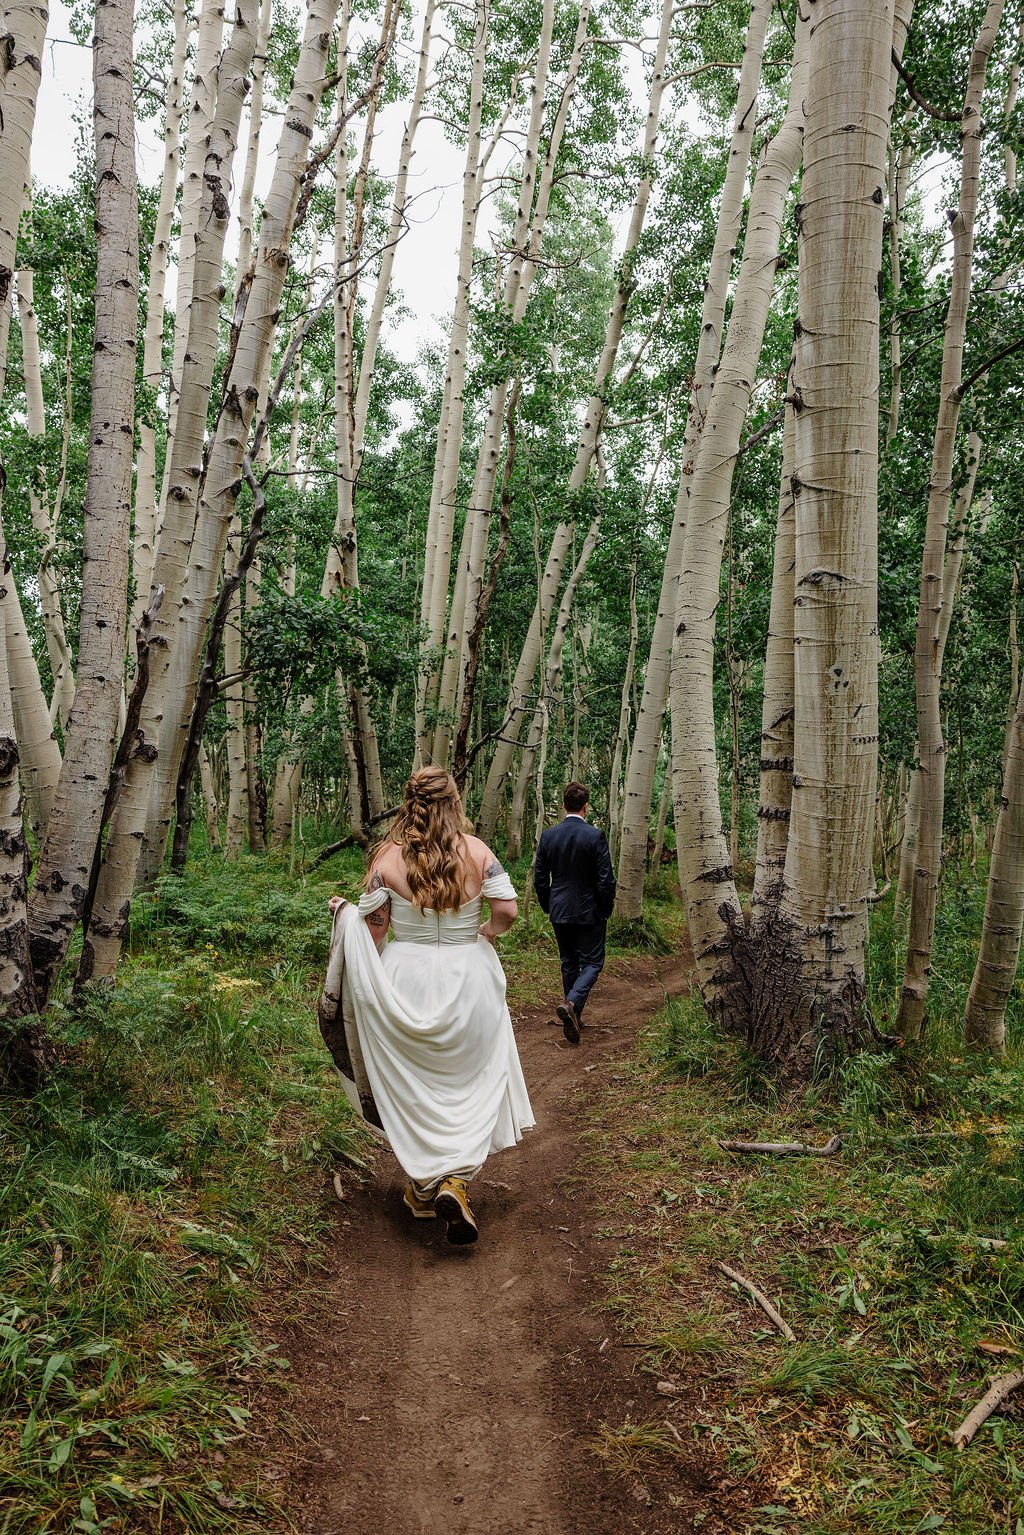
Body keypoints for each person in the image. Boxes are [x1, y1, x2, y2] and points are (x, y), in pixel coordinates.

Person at [322, 767, 534, 1245]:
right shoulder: (479, 853)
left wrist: (347, 923)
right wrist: (483, 934)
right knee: (469, 1082)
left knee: (417, 1084)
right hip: (469, 979)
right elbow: (507, 912)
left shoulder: (387, 858)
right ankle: (453, 1183)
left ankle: (423, 1187)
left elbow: (373, 929)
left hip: (406, 978)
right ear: (454, 801)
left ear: (409, 802)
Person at [533, 782, 616, 1044]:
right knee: (592, 962)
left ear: (564, 806)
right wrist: (605, 908)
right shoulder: (595, 836)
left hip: (560, 909)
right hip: (588, 909)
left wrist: (549, 905)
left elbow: (539, 877)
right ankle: (571, 1004)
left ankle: (574, 1015)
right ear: (585, 807)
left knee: (569, 962)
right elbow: (606, 879)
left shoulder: (549, 836)